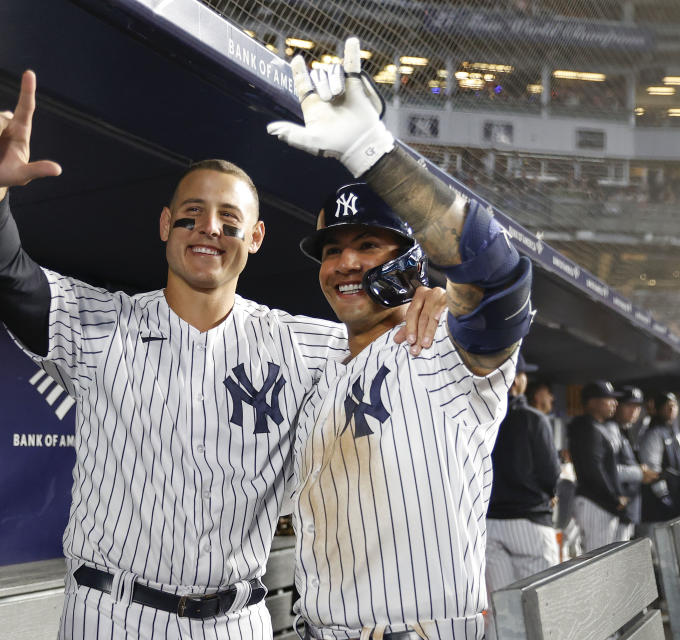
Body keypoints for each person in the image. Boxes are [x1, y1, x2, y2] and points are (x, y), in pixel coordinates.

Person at [0, 69, 447, 639]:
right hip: (114, 614)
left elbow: (410, 367)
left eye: (229, 220)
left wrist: (428, 302)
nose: (208, 228)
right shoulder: (101, 326)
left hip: (235, 621)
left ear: (255, 238)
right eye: (192, 213)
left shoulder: (309, 347)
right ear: (166, 226)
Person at [268, 38, 534, 640]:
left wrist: (372, 154)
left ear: (412, 263)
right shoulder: (321, 371)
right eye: (332, 251)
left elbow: (496, 274)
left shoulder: (443, 343)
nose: (344, 263)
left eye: (367, 245)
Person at [485, 355, 560, 600]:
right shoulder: (533, 418)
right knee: (544, 607)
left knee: (503, 611)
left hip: (489, 524)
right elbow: (550, 473)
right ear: (515, 380)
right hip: (529, 521)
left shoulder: (480, 419)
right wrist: (551, 493)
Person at [567, 381, 627, 552]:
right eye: (609, 399)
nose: (615, 403)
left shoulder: (594, 427)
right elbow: (593, 469)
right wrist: (614, 498)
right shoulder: (587, 428)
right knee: (597, 561)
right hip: (594, 503)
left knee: (603, 560)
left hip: (598, 503)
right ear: (593, 402)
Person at [638, 392, 680, 532]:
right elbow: (652, 471)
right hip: (659, 507)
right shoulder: (653, 434)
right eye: (666, 406)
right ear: (657, 409)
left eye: (674, 405)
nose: (671, 409)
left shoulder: (675, 433)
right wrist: (665, 499)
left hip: (678, 501)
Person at [612, 386, 658, 541]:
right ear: (616, 405)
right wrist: (639, 472)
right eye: (629, 405)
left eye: (637, 407)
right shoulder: (611, 431)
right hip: (614, 509)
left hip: (628, 508)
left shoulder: (628, 430)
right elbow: (608, 469)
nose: (634, 411)